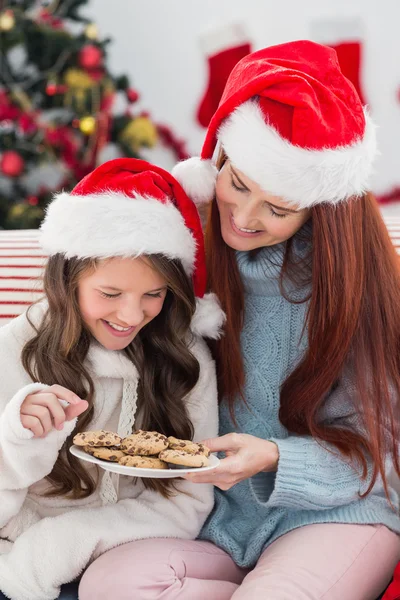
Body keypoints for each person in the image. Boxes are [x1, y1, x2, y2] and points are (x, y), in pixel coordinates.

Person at [80, 41, 400, 600]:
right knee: (110, 583)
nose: (244, 217)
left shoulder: (357, 288)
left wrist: (275, 456)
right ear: (219, 159)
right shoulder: (182, 245)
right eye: (238, 184)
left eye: (277, 209)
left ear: (318, 207)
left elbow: (384, 458)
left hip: (338, 512)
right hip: (219, 521)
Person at [0, 158, 224, 600]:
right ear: (68, 280)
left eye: (153, 295)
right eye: (110, 294)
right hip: (15, 555)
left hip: (124, 560)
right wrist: (17, 441)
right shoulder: (16, 348)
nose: (130, 315)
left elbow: (188, 500)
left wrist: (63, 545)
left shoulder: (185, 357)